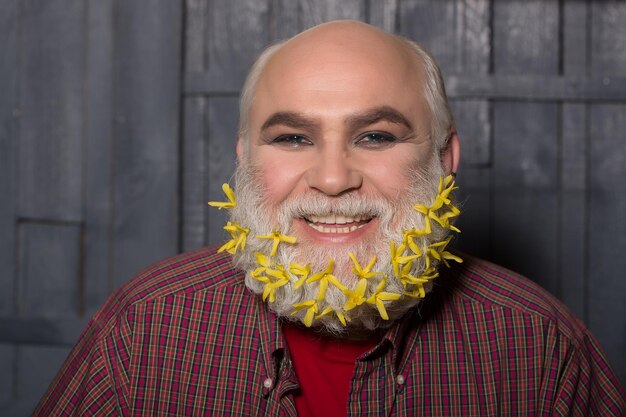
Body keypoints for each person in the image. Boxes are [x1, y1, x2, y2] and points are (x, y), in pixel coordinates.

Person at [34, 20, 624, 416]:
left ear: (444, 160)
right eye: (292, 137)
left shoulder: (542, 345)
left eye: (374, 135)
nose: (334, 177)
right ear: (245, 160)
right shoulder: (144, 329)